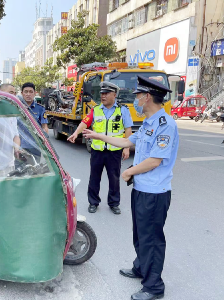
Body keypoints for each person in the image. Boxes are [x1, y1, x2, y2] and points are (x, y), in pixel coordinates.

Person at [83, 76, 178, 300]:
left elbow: (155, 161)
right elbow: (127, 142)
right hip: (142, 190)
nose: (135, 99)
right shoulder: (148, 122)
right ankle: (140, 267)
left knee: (152, 239)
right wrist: (97, 135)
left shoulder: (166, 124)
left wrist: (128, 172)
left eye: (137, 95)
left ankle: (154, 287)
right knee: (140, 234)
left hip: (155, 193)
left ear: (147, 97)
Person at [68, 81, 133, 215]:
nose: (103, 96)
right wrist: (75, 133)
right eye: (102, 93)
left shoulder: (122, 110)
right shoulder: (95, 110)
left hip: (114, 151)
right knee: (94, 178)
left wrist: (127, 148)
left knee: (114, 178)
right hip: (97, 151)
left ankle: (114, 203)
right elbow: (84, 123)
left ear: (114, 95)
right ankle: (93, 202)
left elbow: (128, 129)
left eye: (106, 93)